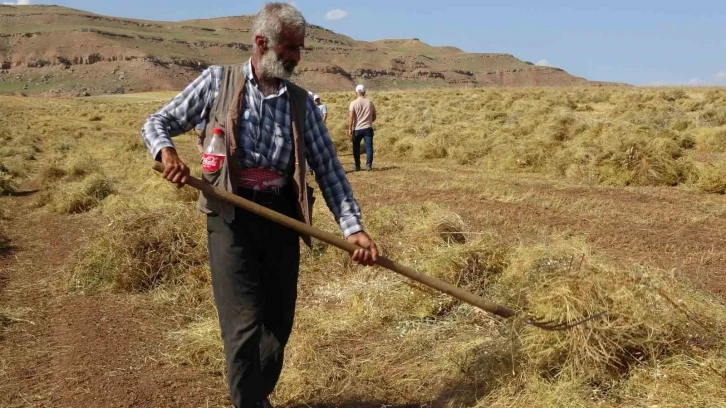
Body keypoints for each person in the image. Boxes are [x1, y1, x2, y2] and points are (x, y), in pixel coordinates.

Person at [140, 4, 379, 408]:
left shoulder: (301, 104)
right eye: (289, 47)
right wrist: (166, 153)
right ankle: (249, 402)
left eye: (300, 48)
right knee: (244, 323)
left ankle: (254, 395)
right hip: (230, 217)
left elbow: (330, 172)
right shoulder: (218, 82)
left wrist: (352, 228)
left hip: (283, 218)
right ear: (261, 43)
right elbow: (156, 122)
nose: (296, 57)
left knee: (277, 324)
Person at [348, 84, 376, 171]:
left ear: (356, 92)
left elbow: (351, 117)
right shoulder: (370, 103)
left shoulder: (353, 103)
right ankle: (368, 165)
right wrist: (369, 122)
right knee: (369, 147)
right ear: (364, 92)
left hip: (357, 129)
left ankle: (357, 166)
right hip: (368, 128)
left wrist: (350, 128)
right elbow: (374, 115)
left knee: (356, 147)